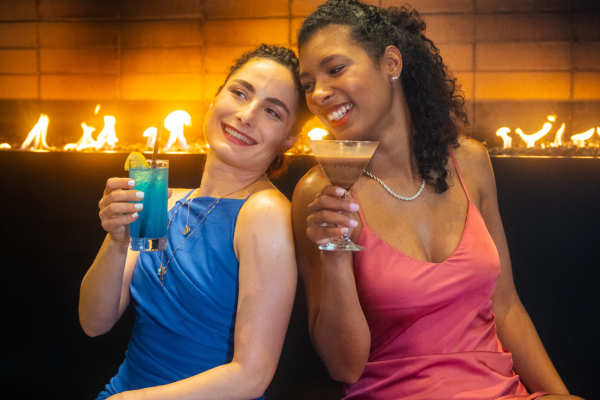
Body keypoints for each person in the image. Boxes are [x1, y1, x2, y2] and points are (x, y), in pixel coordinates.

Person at [291, 1, 583, 399]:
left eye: (335, 69)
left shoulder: (470, 162)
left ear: (391, 63)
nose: (320, 93)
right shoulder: (320, 193)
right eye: (308, 84)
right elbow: (344, 366)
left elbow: (506, 305)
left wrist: (561, 395)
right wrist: (335, 253)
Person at [79, 44, 311, 400]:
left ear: (289, 139)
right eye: (239, 93)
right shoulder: (163, 198)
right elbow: (94, 322)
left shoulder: (263, 213)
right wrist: (116, 240)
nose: (247, 115)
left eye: (272, 112)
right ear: (214, 99)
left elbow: (251, 376)